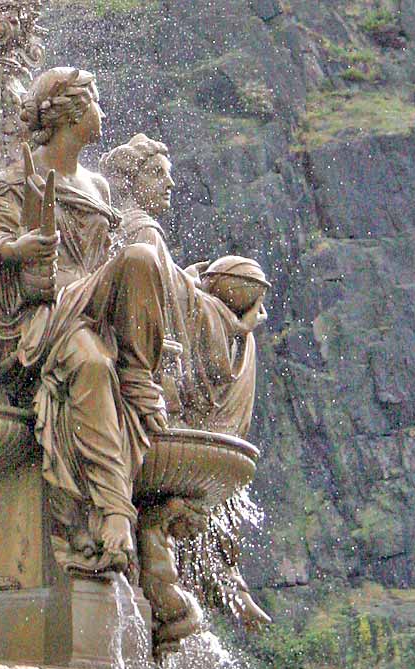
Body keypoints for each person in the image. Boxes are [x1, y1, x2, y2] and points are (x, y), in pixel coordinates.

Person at [0, 67, 171, 575]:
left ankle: (139, 375)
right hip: (49, 312)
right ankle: (115, 513)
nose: (103, 114)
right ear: (71, 114)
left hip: (93, 300)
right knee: (92, 364)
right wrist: (16, 249)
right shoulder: (19, 178)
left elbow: (115, 265)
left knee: (142, 260)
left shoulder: (98, 185)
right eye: (96, 103)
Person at [101, 134, 272, 631]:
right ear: (134, 179)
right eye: (159, 172)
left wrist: (192, 283)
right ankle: (220, 580)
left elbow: (169, 290)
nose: (171, 181)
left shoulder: (131, 229)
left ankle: (218, 577)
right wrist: (235, 323)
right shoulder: (143, 232)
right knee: (244, 349)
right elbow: (166, 300)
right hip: (149, 375)